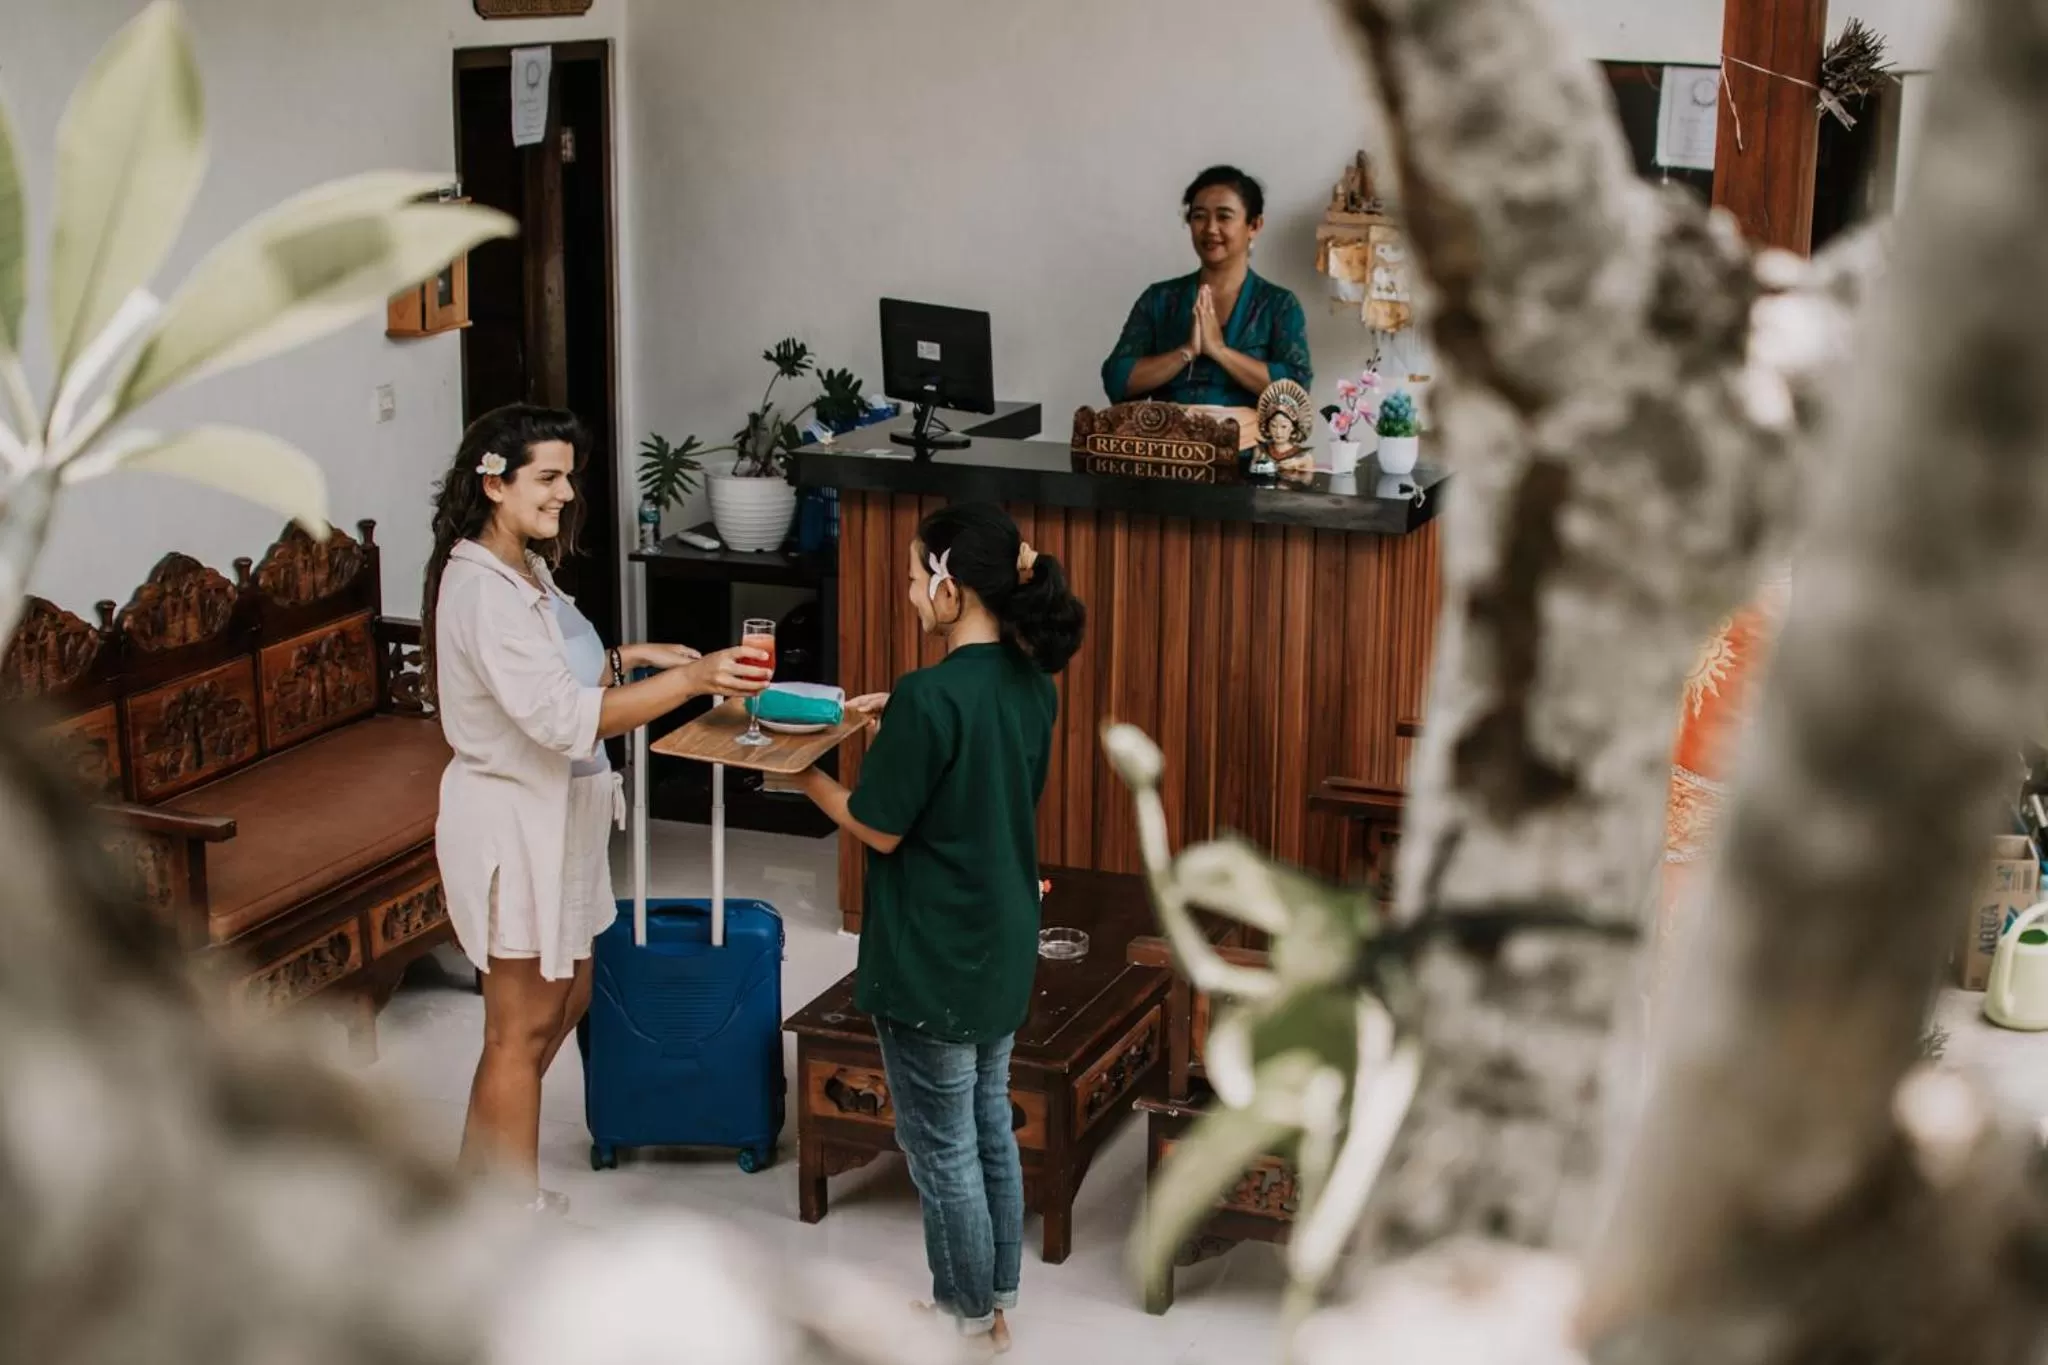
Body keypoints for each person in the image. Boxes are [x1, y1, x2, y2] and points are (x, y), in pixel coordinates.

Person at [422, 403, 771, 1211]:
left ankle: (470, 1184)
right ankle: (511, 1215)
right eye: (548, 477)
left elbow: (558, 669)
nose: (566, 493)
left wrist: (627, 657)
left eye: (568, 476)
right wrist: (690, 680)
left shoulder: (526, 568)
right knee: (519, 1029)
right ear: (494, 483)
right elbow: (557, 715)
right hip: (516, 826)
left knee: (569, 996)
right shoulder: (481, 591)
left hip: (565, 821)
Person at [794, 503, 1086, 1352]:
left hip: (933, 953)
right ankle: (993, 1300)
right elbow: (974, 776)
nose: (911, 592)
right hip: (999, 940)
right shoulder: (1032, 684)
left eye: (916, 577)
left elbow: (879, 826)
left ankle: (966, 1321)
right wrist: (902, 728)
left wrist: (799, 768)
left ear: (952, 590)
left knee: (940, 1148)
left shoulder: (930, 695)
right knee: (989, 1121)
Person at [1101, 165, 1314, 410]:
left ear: (1254, 225)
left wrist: (1219, 351)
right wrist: (1186, 352)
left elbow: (1296, 391)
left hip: (1247, 435)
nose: (1210, 229)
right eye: (1199, 216)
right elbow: (1116, 380)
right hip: (1170, 434)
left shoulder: (1278, 304)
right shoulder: (1159, 299)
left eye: (1224, 216)